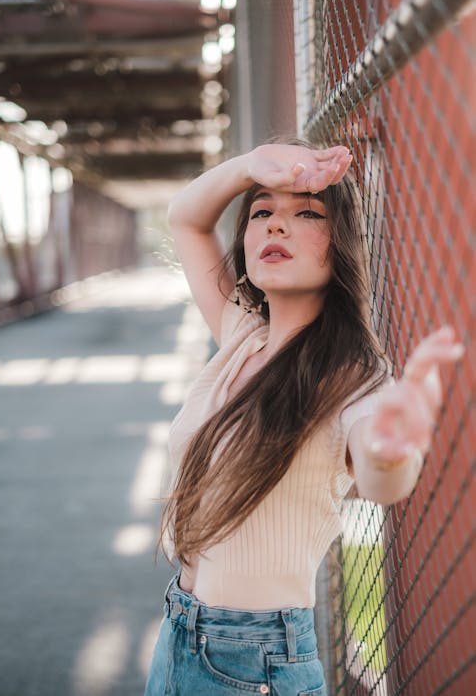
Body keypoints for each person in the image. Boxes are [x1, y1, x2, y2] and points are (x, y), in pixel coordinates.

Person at [144, 138, 465, 695]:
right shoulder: (243, 336)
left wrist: (392, 451)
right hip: (178, 629)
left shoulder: (355, 374)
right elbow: (187, 219)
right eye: (262, 212)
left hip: (255, 665)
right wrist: (250, 166)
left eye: (306, 214)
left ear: (340, 244)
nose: (275, 226)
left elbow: (380, 475)